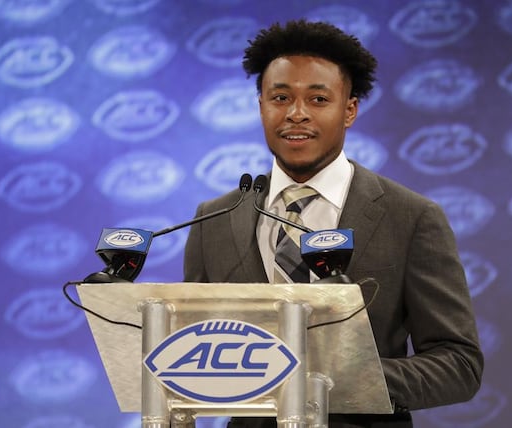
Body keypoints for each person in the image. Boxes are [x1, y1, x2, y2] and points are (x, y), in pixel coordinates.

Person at [184, 20, 483, 428]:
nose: (296, 113)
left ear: (350, 110)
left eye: (318, 99)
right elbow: (189, 347)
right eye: (281, 97)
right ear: (261, 106)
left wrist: (339, 381)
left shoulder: (410, 217)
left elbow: (459, 364)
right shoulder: (214, 219)